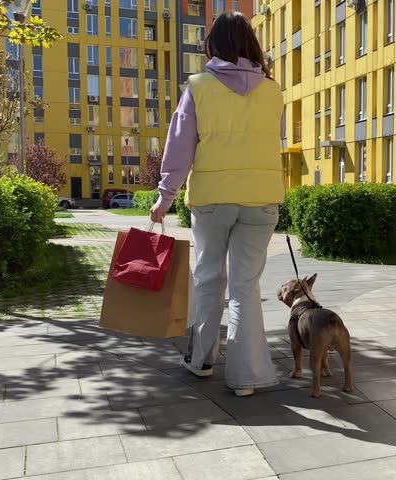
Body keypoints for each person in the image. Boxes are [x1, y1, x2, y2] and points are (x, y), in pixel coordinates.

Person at [150, 11, 284, 397]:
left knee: (209, 278)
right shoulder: (273, 91)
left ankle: (201, 361)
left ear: (213, 45)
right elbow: (270, 140)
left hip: (211, 200)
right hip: (261, 201)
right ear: (251, 45)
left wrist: (165, 196)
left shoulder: (199, 86)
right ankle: (246, 378)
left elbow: (180, 147)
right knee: (246, 287)